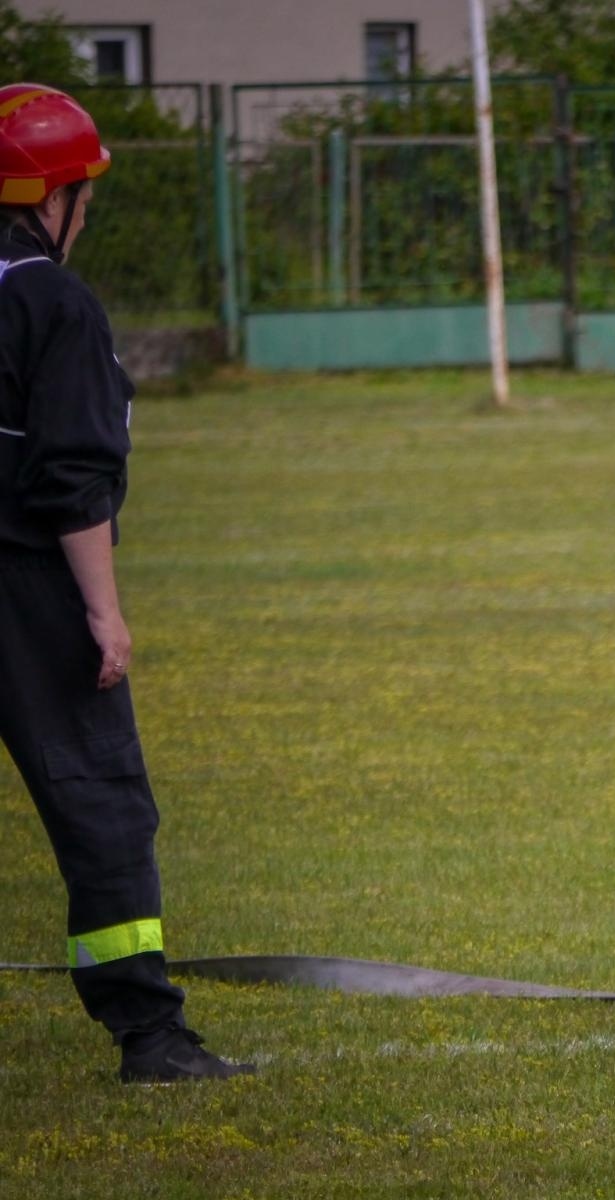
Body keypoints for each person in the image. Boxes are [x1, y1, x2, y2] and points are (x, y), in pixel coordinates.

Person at [0, 83, 253, 1082]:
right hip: (27, 587)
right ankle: (149, 1037)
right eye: (84, 193)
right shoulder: (53, 302)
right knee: (101, 804)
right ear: (50, 195)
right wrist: (103, 614)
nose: (87, 212)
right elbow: (72, 476)